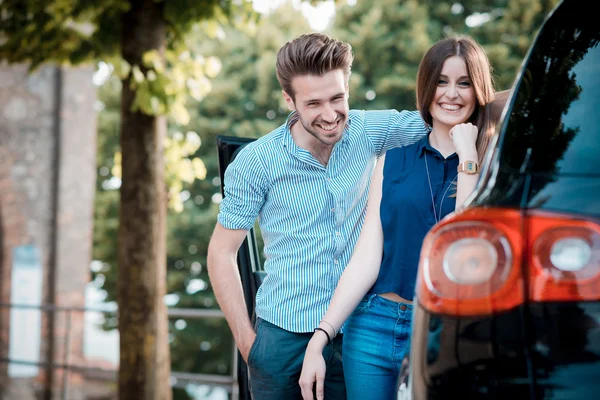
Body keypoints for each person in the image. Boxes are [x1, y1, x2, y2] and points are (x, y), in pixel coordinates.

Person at [207, 33, 507, 400]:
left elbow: (452, 109)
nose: (330, 115)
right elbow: (221, 254)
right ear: (289, 100)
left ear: (347, 87)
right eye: (314, 103)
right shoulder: (256, 162)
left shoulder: (370, 131)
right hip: (283, 334)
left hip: (358, 327)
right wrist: (249, 344)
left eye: (337, 98)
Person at [298, 34, 499, 400]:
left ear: (478, 90)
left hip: (445, 331)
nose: (451, 93)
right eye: (441, 81)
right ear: (427, 87)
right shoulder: (391, 160)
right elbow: (366, 258)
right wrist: (321, 336)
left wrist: (468, 156)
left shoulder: (491, 166)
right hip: (372, 326)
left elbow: (466, 244)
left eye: (464, 82)